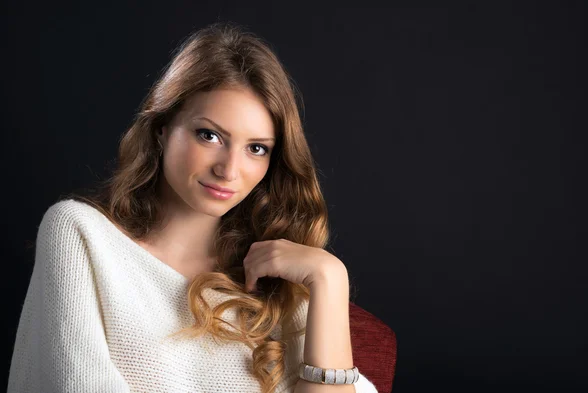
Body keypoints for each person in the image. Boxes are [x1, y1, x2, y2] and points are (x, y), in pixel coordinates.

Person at [7, 22, 378, 393]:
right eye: (210, 135)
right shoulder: (81, 235)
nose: (229, 169)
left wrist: (330, 278)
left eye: (256, 148)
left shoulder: (284, 284)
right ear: (162, 128)